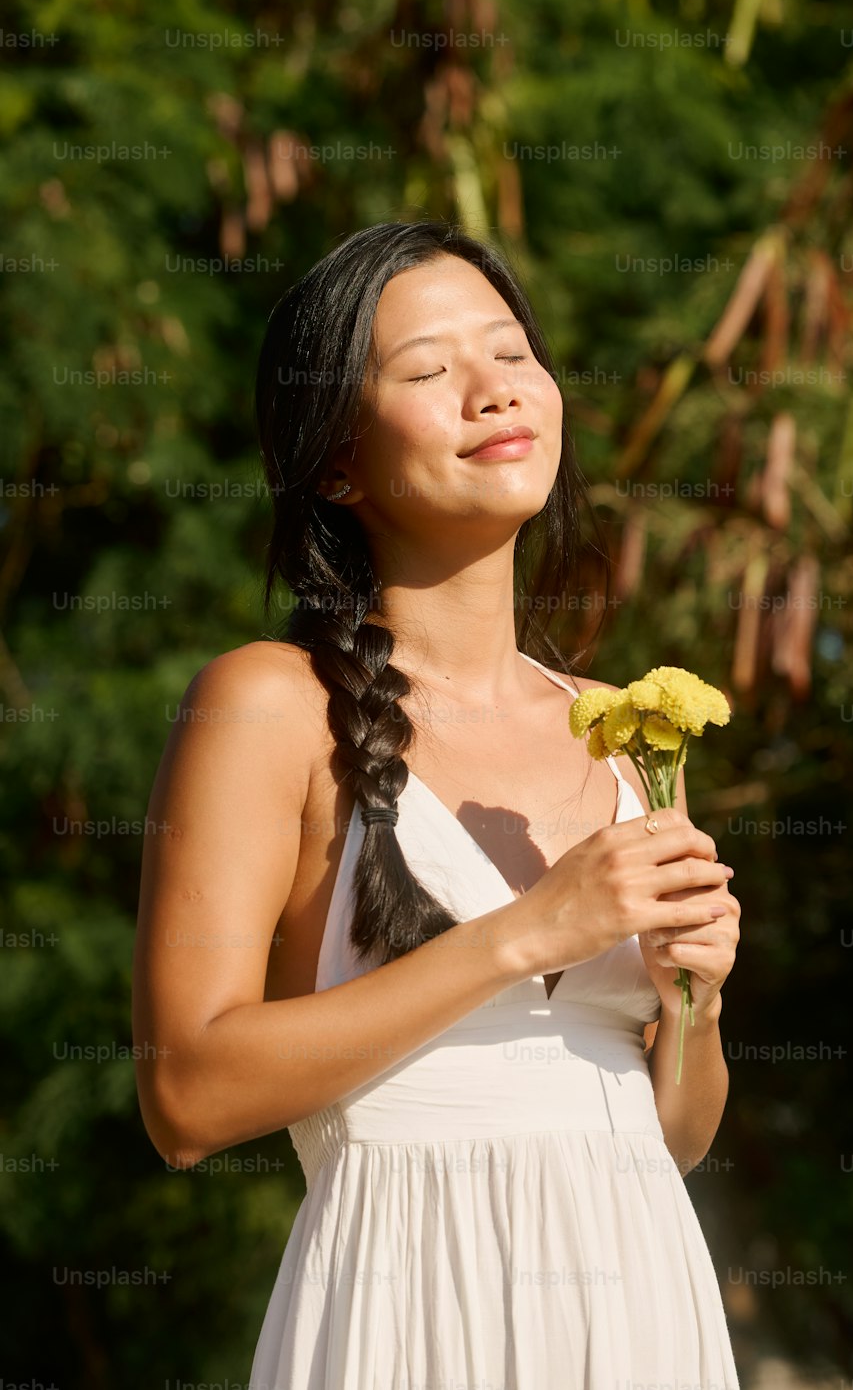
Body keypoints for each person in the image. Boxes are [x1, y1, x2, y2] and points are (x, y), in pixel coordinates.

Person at [132, 219, 742, 1388]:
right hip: (405, 1311)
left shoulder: (629, 725)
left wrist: (694, 1003)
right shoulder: (268, 702)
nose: (491, 391)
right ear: (337, 461)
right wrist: (526, 932)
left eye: (510, 351)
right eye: (426, 370)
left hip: (644, 1314)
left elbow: (672, 1133)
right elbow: (186, 1093)